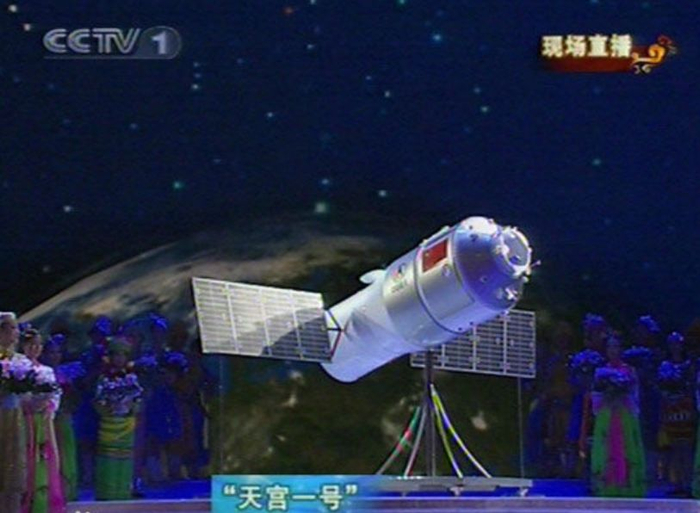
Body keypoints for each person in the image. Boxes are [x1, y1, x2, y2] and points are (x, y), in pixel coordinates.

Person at [590, 334, 646, 497]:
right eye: (610, 347)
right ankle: (608, 484)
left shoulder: (629, 370)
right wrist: (607, 397)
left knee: (625, 446)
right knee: (607, 447)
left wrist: (621, 396)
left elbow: (635, 394)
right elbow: (596, 394)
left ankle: (627, 484)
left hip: (624, 414)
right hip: (607, 414)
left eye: (616, 346)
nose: (613, 350)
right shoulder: (600, 371)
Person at [20, 329, 66, 513]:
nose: (35, 348)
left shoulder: (47, 371)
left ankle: (43, 503)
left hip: (43, 421)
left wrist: (47, 406)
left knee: (45, 459)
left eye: (38, 345)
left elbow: (55, 395)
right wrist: (28, 404)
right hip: (24, 420)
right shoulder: (17, 367)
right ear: (23, 346)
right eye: (31, 344)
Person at [94, 336, 143, 500]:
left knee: (125, 457)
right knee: (108, 457)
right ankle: (107, 494)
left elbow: (138, 399)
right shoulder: (104, 378)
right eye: (116, 355)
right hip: (109, 423)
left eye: (123, 355)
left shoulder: (132, 377)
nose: (119, 359)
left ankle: (123, 492)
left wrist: (131, 408)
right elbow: (98, 400)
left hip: (126, 423)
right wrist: (108, 409)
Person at [42, 334, 81, 502]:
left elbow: (75, 398)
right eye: (51, 352)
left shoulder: (68, 372)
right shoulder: (41, 373)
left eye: (58, 352)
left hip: (64, 418)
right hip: (45, 419)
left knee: (66, 453)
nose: (55, 356)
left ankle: (68, 492)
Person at [657, 332, 695, 496]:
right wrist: (668, 398)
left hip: (685, 409)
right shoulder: (664, 366)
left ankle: (688, 482)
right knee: (672, 447)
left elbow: (692, 387)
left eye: (678, 343)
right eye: (672, 344)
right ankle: (676, 483)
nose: (675, 347)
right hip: (670, 410)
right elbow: (660, 386)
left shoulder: (689, 365)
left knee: (685, 446)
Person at [0, 312, 28, 513]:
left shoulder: (20, 360)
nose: (17, 332)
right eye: (13, 328)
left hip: (15, 417)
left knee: (14, 469)